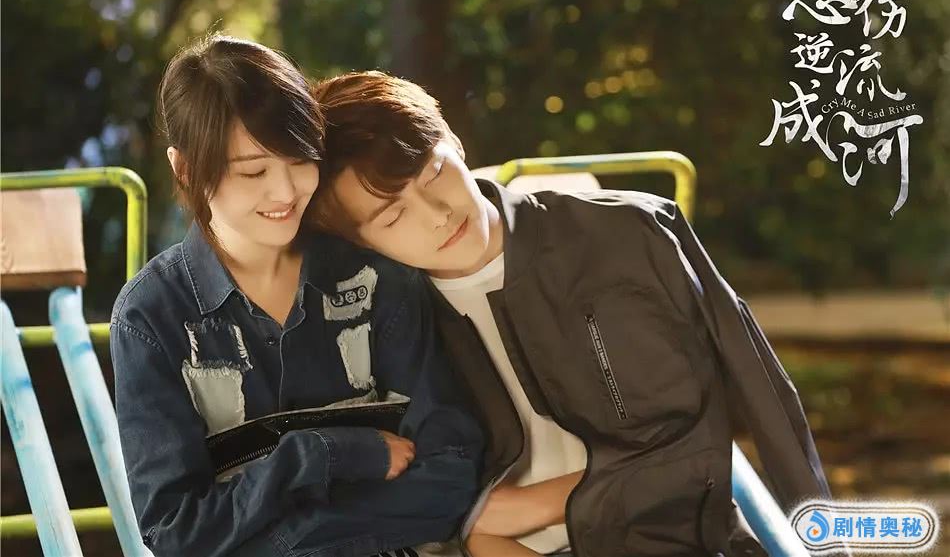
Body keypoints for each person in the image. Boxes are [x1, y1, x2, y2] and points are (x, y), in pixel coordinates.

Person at [305, 71, 832, 557]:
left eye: (434, 173)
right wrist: (480, 526)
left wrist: (534, 506)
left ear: (455, 141)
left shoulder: (626, 235)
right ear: (362, 241)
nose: (436, 215)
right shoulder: (384, 322)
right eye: (393, 216)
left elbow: (728, 426)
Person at [110, 37, 482, 557]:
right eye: (254, 171)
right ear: (186, 170)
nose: (285, 192)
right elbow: (177, 532)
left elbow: (452, 471)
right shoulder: (152, 317)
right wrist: (315, 455)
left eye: (300, 158)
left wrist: (288, 536)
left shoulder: (376, 275)